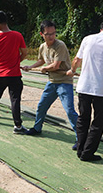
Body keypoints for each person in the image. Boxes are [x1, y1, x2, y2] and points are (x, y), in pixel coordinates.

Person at [71, 18, 103, 162]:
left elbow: (76, 59)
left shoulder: (87, 39)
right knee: (98, 121)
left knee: (83, 118)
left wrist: (72, 70)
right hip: (101, 89)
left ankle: (80, 149)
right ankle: (88, 152)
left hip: (84, 86)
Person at [22, 20, 78, 148]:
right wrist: (30, 67)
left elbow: (56, 65)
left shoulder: (60, 45)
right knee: (42, 106)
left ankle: (80, 137)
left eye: (53, 33)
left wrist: (45, 69)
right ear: (42, 34)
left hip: (64, 82)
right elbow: (41, 60)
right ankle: (37, 128)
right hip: (52, 82)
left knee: (69, 110)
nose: (51, 36)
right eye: (48, 34)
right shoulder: (43, 47)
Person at [0, 11, 28, 134]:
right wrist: (16, 62)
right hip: (14, 74)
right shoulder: (17, 36)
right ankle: (18, 126)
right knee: (15, 99)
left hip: (0, 74)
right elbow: (24, 53)